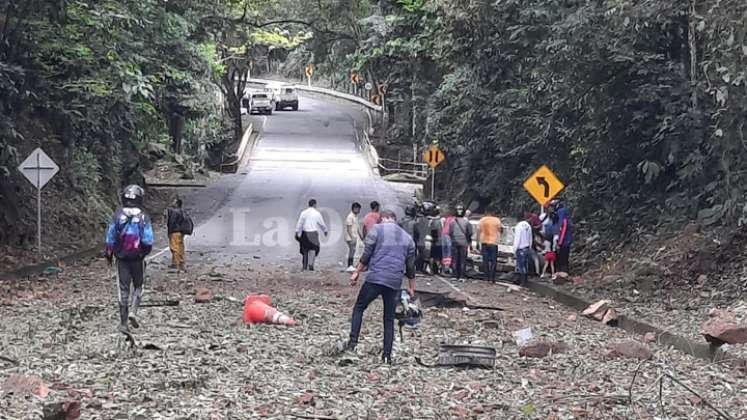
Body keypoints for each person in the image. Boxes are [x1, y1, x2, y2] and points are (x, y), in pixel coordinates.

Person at [345, 209, 416, 364]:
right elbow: (411, 266)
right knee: (389, 319)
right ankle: (386, 356)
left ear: (384, 218)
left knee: (359, 307)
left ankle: (352, 344)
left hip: (375, 278)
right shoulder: (407, 238)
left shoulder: (377, 229)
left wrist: (357, 272)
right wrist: (411, 287)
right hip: (394, 282)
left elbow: (367, 253)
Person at [105, 184, 154, 334]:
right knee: (139, 286)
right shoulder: (144, 217)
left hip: (122, 258)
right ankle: (134, 310)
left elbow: (110, 237)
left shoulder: (118, 215)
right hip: (138, 259)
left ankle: (124, 323)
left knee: (123, 289)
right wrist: (144, 253)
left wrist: (109, 254)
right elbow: (148, 240)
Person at [295, 199, 328, 271]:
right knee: (313, 249)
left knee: (305, 250)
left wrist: (297, 231)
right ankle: (311, 264)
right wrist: (325, 230)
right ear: (314, 205)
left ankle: (304, 265)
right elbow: (321, 223)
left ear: (308, 204)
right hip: (313, 233)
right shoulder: (317, 213)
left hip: (305, 233)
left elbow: (300, 223)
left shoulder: (303, 213)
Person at [448, 204, 473, 281]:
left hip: (454, 242)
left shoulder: (452, 222)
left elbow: (450, 232)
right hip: (464, 243)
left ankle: (454, 275)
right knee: (463, 259)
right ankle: (462, 276)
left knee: (455, 259)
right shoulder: (467, 223)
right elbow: (470, 233)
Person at [478, 209, 502, 282]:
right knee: (493, 261)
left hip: (484, 241)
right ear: (493, 213)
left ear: (486, 213)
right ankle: (492, 278)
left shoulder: (482, 220)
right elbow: (500, 230)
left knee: (485, 260)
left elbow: (478, 231)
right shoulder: (497, 220)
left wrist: (477, 242)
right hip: (493, 242)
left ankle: (486, 277)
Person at [164, 198, 187, 272]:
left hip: (175, 231)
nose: (172, 203)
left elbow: (171, 222)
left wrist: (169, 231)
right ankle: (181, 263)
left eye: (174, 202)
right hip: (181, 232)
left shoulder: (174, 212)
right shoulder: (182, 211)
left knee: (174, 248)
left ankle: (177, 265)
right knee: (180, 247)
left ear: (177, 203)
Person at [513, 212, 533, 286]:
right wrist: (529, 248)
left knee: (521, 266)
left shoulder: (518, 226)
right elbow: (530, 238)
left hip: (521, 249)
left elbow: (517, 239)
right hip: (527, 248)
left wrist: (514, 250)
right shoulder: (528, 226)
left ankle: (523, 283)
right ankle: (525, 281)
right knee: (525, 265)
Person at [555, 201, 573, 277]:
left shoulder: (564, 221)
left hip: (564, 242)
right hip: (566, 242)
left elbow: (563, 232)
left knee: (563, 257)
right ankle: (564, 271)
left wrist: (559, 243)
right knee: (564, 257)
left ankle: (563, 272)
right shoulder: (566, 220)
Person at [344, 202, 362, 272]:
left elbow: (357, 228)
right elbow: (349, 228)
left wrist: (360, 236)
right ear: (355, 208)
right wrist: (352, 237)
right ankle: (349, 265)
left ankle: (350, 265)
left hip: (354, 236)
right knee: (352, 251)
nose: (359, 211)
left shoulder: (355, 216)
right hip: (350, 237)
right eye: (358, 209)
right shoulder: (350, 217)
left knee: (353, 251)